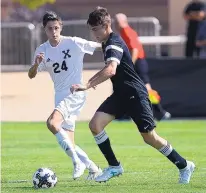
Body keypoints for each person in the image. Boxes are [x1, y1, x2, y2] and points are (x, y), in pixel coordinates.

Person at [71, 7, 195, 184]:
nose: (93, 34)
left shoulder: (113, 42)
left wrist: (88, 84)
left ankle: (184, 165)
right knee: (95, 125)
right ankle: (114, 167)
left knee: (150, 137)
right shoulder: (106, 42)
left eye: (95, 29)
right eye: (91, 30)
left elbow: (111, 69)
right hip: (121, 95)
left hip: (135, 95)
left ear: (105, 26)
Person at [28, 11, 102, 180]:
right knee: (69, 141)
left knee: (52, 123)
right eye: (49, 29)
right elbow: (31, 74)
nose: (53, 32)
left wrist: (114, 45)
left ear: (61, 27)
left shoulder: (74, 43)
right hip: (59, 95)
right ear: (44, 30)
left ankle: (77, 162)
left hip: (75, 92)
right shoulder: (42, 50)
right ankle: (93, 168)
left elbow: (99, 46)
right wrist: (36, 64)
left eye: (56, 28)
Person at [114, 13, 171, 121]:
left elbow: (134, 49)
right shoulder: (125, 32)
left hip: (138, 63)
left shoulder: (126, 31)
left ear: (123, 21)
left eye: (117, 22)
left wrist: (130, 64)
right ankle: (128, 113)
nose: (115, 24)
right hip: (139, 63)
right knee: (132, 88)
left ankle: (160, 112)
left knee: (146, 89)